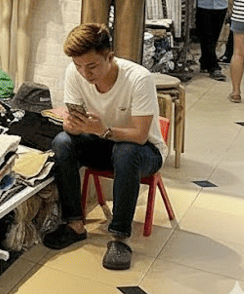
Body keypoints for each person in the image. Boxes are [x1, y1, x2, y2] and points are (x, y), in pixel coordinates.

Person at [44, 24, 167, 271]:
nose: (85, 73)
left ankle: (120, 238)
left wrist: (103, 130)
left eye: (92, 66)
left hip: (145, 151)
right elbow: (74, 129)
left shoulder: (138, 78)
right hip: (102, 142)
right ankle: (74, 224)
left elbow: (141, 136)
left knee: (125, 151)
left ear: (110, 56)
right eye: (79, 66)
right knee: (61, 143)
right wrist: (73, 126)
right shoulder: (75, 73)